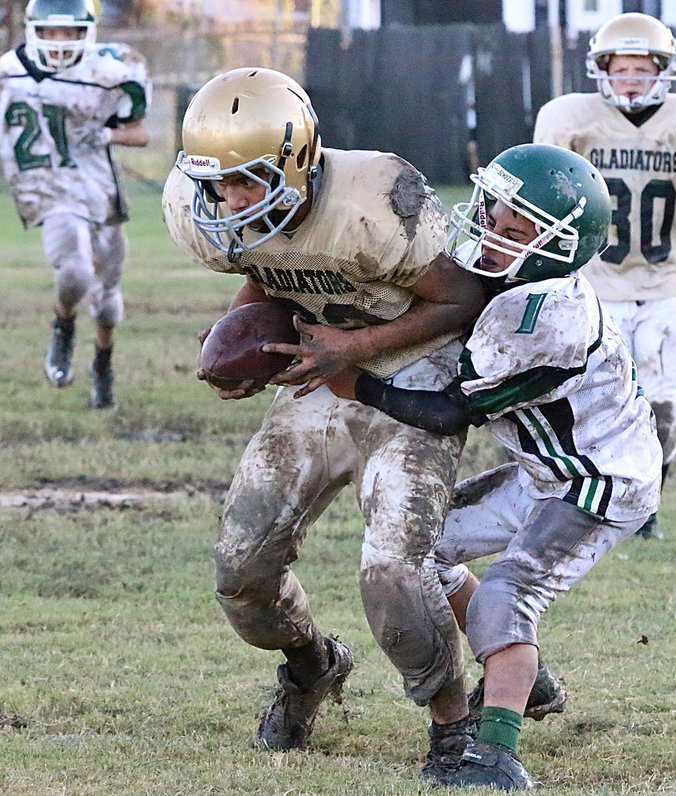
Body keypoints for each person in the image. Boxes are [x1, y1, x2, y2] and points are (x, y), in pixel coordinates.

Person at [161, 66, 491, 778]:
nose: (229, 200)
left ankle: (455, 726)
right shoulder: (219, 209)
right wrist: (241, 335)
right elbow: (272, 266)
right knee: (241, 568)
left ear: (298, 158)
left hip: (413, 373)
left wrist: (358, 347)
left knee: (392, 569)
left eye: (246, 180)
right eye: (215, 183)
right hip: (318, 373)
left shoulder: (373, 198)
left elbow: (462, 298)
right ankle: (313, 666)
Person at [324, 143, 663, 789]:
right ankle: (523, 681)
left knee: (509, 594)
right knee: (425, 549)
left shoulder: (542, 316)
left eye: (513, 230)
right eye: (491, 213)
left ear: (555, 247)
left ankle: (496, 756)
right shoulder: (515, 287)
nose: (489, 232)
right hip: (548, 469)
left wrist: (357, 383)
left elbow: (451, 414)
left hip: (599, 482)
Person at [533, 12, 676, 539]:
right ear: (602, 70)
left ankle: (646, 501)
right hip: (595, 282)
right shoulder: (571, 117)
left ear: (663, 70)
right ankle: (584, 496)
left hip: (664, 282)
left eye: (641, 67)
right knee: (592, 399)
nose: (631, 78)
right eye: (622, 67)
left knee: (661, 403)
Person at [0, 0, 151, 409]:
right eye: (52, 32)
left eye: (70, 32)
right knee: (75, 272)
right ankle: (63, 324)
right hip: (46, 187)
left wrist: (107, 137)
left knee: (106, 300)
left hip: (97, 189)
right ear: (35, 31)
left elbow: (140, 133)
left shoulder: (111, 72)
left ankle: (103, 364)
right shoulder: (8, 73)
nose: (61, 41)